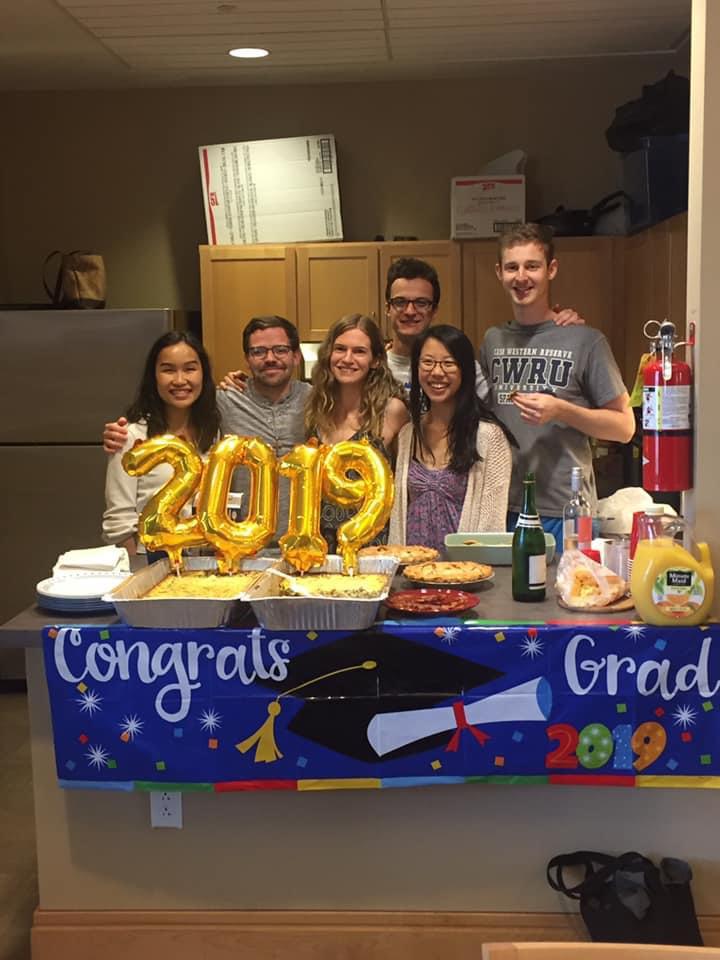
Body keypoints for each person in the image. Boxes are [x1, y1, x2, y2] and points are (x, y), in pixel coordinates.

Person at [479, 223, 635, 544]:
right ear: (499, 273)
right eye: (512, 267)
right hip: (502, 505)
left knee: (569, 593)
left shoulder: (586, 341)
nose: (521, 277)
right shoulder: (492, 341)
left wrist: (562, 410)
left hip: (566, 511)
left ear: (551, 269)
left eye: (532, 266)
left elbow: (624, 427)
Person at [103, 316, 310, 540]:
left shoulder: (316, 401)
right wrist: (117, 435)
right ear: (246, 360)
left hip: (298, 546)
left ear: (296, 355)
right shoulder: (225, 401)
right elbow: (119, 521)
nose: (270, 358)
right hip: (236, 549)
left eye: (280, 350)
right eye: (258, 351)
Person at [389, 324, 513, 554]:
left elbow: (491, 525)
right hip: (411, 573)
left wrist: (469, 571)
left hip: (464, 574)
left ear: (465, 370)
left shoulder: (489, 438)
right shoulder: (408, 435)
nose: (437, 372)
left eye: (448, 363)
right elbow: (398, 515)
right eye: (428, 362)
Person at [102, 330, 221, 556]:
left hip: (204, 565)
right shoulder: (130, 438)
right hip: (151, 558)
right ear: (153, 376)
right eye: (168, 370)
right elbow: (119, 520)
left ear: (203, 374)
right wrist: (138, 572)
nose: (180, 380)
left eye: (190, 369)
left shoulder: (215, 434)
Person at [306, 313, 408, 552]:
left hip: (372, 545)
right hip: (319, 544)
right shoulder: (315, 407)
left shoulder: (392, 411)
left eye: (359, 351)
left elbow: (405, 484)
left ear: (375, 360)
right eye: (340, 349)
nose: (347, 359)